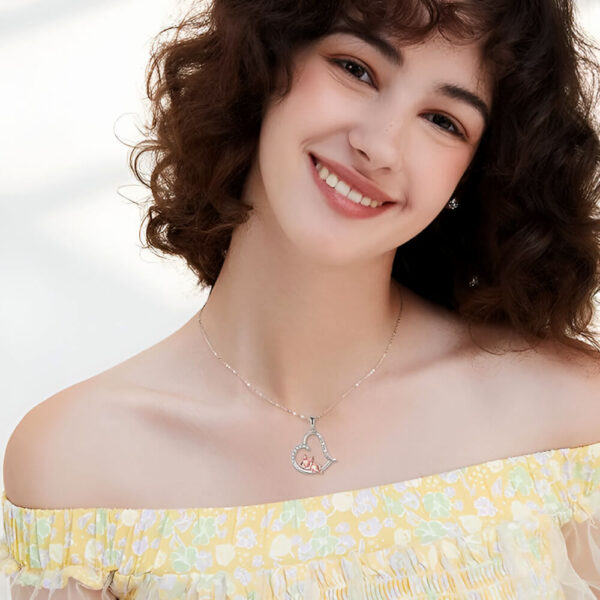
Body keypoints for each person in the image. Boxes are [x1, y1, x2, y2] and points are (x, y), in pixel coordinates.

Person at [2, 0, 600, 597]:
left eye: (444, 121)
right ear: (265, 64)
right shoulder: (77, 468)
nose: (380, 146)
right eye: (356, 69)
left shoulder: (569, 424)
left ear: (476, 173)